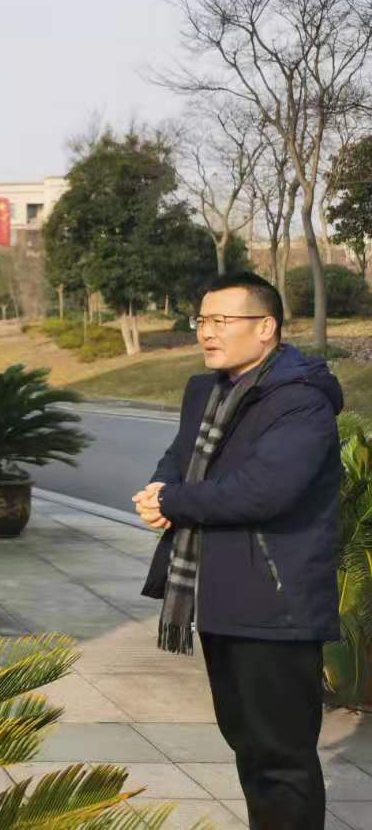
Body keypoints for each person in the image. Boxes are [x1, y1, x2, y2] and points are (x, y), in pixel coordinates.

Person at [137, 271, 341, 830]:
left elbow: (264, 490)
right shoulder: (205, 390)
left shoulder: (302, 402)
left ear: (266, 327)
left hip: (277, 604)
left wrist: (176, 501)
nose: (207, 332)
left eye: (222, 321)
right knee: (249, 748)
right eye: (201, 320)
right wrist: (160, 492)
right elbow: (179, 458)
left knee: (282, 759)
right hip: (221, 595)